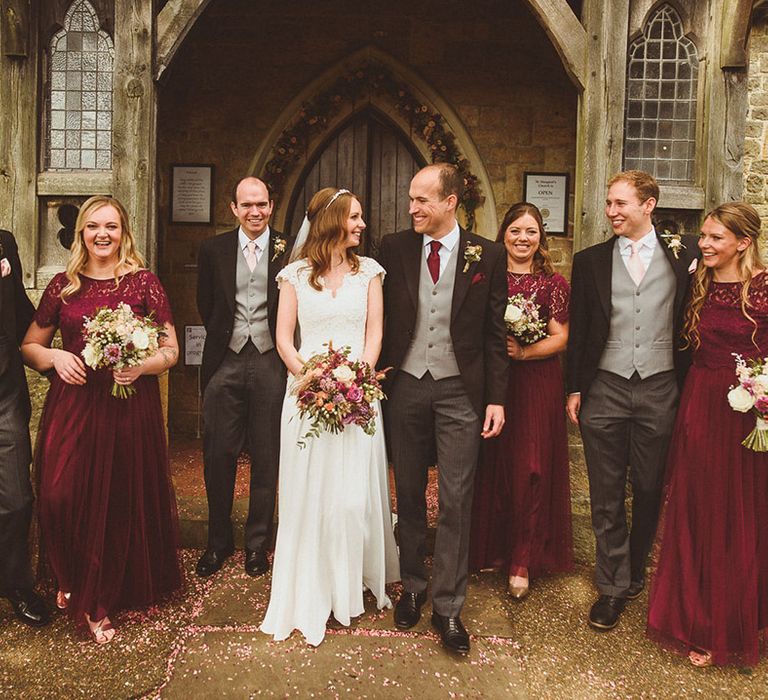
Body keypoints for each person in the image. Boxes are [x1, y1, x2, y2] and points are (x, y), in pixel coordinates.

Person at [21, 196, 181, 643]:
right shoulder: (62, 286)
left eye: (111, 226)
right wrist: (53, 355)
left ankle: (96, 599)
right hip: (74, 403)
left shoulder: (144, 284)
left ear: (124, 231)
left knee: (113, 499)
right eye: (93, 227)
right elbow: (29, 347)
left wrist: (142, 365)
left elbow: (170, 351)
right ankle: (69, 574)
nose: (102, 234)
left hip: (127, 404)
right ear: (82, 234)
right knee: (59, 494)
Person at [260, 187, 399, 646]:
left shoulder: (370, 273)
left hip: (358, 394)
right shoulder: (295, 275)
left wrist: (355, 380)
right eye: (355, 216)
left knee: (351, 494)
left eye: (362, 216)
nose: (362, 224)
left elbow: (374, 333)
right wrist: (314, 379)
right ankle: (312, 576)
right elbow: (283, 338)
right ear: (334, 219)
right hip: (306, 394)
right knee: (309, 489)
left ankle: (351, 576)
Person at [379, 163, 508, 654]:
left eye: (422, 200)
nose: (412, 207)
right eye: (411, 199)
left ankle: (449, 606)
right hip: (407, 385)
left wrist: (496, 397)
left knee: (456, 499)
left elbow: (495, 336)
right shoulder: (394, 247)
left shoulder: (487, 255)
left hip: (460, 390)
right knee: (408, 491)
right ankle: (413, 586)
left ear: (450, 201)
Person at [566, 170, 698, 631]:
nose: (611, 212)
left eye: (620, 203)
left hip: (662, 384)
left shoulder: (687, 254)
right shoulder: (590, 261)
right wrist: (576, 387)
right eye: (608, 203)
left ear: (649, 205)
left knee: (646, 486)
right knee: (605, 492)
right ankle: (611, 585)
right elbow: (580, 329)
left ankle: (635, 566)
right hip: (605, 384)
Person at [647, 202, 768, 667]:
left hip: (745, 410)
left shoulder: (762, 287)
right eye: (705, 236)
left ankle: (734, 622)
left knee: (740, 513)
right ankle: (697, 618)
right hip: (700, 401)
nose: (706, 244)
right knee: (698, 509)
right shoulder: (697, 279)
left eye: (717, 237)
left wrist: (761, 389)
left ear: (743, 242)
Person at [469, 203, 573, 599]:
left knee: (531, 469)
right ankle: (493, 548)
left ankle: (522, 558)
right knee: (495, 466)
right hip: (493, 383)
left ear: (541, 237)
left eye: (531, 231)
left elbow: (560, 337)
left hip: (536, 383)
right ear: (504, 234)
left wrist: (524, 352)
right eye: (515, 230)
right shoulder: (485, 277)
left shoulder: (553, 284)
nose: (522, 239)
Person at [195, 177, 291, 578]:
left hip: (272, 360)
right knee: (219, 454)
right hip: (226, 360)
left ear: (271, 206)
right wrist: (228, 339)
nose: (255, 212)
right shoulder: (213, 249)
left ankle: (257, 545)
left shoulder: (290, 250)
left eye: (262, 204)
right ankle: (218, 542)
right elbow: (206, 303)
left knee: (267, 457)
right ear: (233, 208)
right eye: (246, 205)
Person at [0, 229, 50, 628]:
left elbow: (19, 309)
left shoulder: (5, 243)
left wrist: (54, 361)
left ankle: (16, 584)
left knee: (17, 498)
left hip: (5, 395)